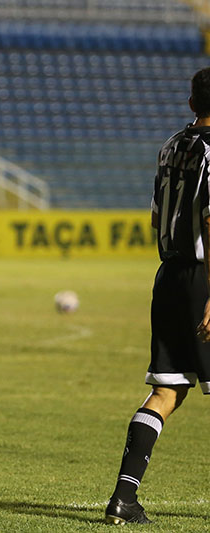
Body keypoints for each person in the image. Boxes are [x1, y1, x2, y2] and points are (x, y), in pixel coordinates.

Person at [105, 67, 210, 525]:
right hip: (204, 278)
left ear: (191, 103)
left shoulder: (171, 146)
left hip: (168, 276)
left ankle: (123, 498)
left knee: (167, 390)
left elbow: (156, 217)